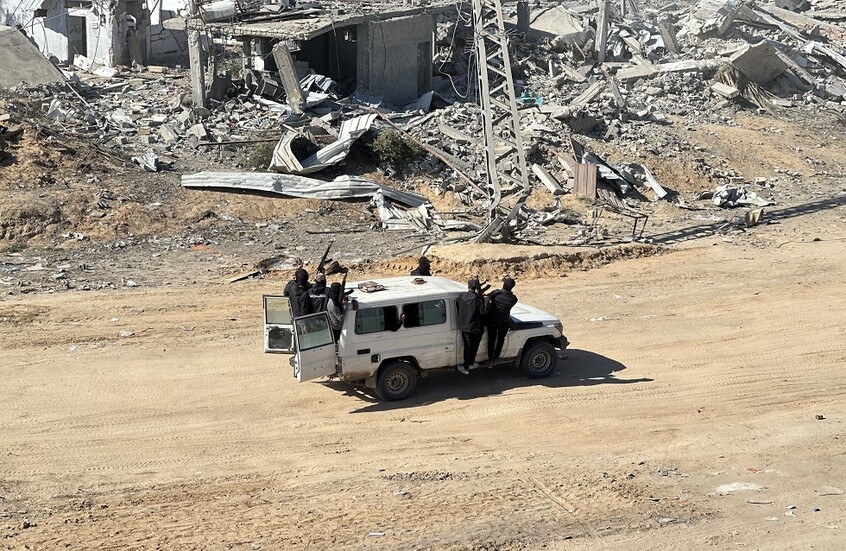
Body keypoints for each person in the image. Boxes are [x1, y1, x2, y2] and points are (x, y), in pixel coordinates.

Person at [457, 278, 487, 375]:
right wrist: (486, 302)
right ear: (476, 288)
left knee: (467, 347)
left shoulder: (462, 296)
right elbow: (483, 312)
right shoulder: (477, 299)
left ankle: (466, 367)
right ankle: (471, 363)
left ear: (468, 286)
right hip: (476, 328)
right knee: (474, 346)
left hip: (465, 327)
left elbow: (457, 304)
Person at [486, 276, 518, 365]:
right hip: (504, 322)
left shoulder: (496, 293)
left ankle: (490, 358)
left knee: (491, 339)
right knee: (501, 339)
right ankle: (496, 356)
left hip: (492, 320)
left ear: (504, 285)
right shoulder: (514, 299)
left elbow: (487, 297)